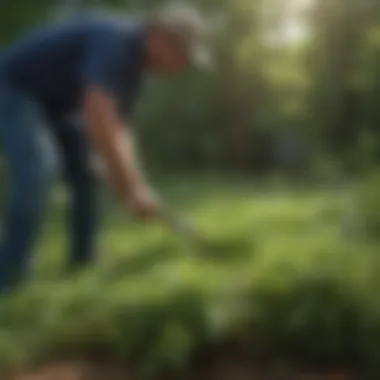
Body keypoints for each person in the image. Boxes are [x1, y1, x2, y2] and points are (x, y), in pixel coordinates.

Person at [0, 4, 211, 291]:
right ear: (160, 36)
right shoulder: (115, 42)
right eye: (182, 55)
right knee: (39, 166)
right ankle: (10, 272)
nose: (182, 66)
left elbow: (120, 131)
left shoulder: (137, 71)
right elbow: (98, 115)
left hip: (53, 105)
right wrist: (130, 189)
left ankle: (82, 264)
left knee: (88, 172)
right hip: (13, 88)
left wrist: (136, 187)